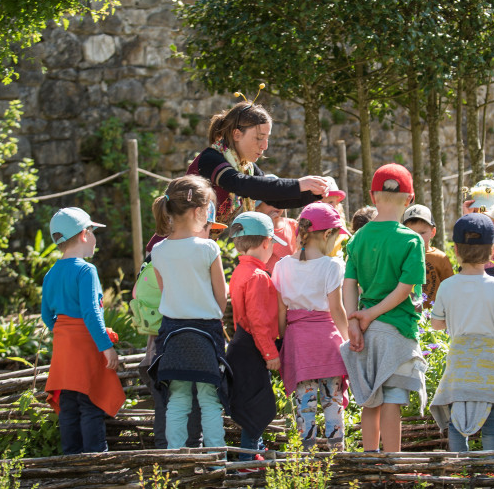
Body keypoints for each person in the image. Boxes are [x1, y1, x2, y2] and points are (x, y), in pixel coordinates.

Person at [146, 96, 328, 251]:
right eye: (259, 138)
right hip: (169, 248)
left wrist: (314, 195)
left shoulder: (246, 167)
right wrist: (298, 184)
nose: (265, 146)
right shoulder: (210, 158)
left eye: (267, 138)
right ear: (236, 134)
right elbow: (239, 183)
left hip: (198, 247)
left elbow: (274, 197)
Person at [340, 163, 427, 453]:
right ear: (410, 199)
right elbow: (405, 290)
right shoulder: (412, 239)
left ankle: (369, 458)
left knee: (370, 398)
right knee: (392, 398)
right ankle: (393, 461)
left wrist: (355, 320)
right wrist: (371, 314)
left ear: (372, 196)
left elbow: (349, 284)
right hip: (397, 330)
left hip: (367, 331)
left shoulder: (358, 238)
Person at [148, 175, 231, 451]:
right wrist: (212, 311)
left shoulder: (157, 251)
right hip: (206, 333)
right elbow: (222, 298)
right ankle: (216, 455)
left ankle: (174, 456)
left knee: (178, 399)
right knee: (210, 399)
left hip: (172, 333)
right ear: (199, 211)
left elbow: (164, 291)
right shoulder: (208, 248)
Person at [429, 214, 494, 452]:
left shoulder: (448, 286)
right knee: (492, 428)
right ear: (492, 250)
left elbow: (437, 325)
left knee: (457, 421)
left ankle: (458, 471)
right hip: (490, 364)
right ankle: (493, 473)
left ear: (456, 249)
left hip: (460, 364)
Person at [42, 207, 125, 454]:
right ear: (84, 234)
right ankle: (95, 458)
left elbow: (47, 316)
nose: (95, 237)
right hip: (86, 345)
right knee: (89, 402)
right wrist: (106, 346)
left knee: (69, 404)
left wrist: (65, 332)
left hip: (64, 347)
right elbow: (91, 314)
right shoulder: (86, 270)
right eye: (93, 231)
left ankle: (71, 457)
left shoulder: (50, 274)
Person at [273, 202, 350, 451]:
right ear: (327, 235)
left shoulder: (282, 265)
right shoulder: (333, 265)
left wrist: (286, 342)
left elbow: (281, 312)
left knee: (304, 405)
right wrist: (349, 341)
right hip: (328, 343)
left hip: (299, 343)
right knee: (332, 403)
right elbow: (337, 310)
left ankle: (306, 459)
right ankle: (337, 457)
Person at [225, 211, 287, 462]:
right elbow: (258, 321)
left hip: (241, 343)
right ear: (265, 243)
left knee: (253, 399)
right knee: (256, 404)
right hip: (252, 346)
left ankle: (255, 453)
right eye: (273, 243)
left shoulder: (240, 271)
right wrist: (270, 353)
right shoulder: (259, 277)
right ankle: (248, 460)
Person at [402, 204, 454, 309]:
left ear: (433, 232)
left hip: (433, 317)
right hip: (407, 316)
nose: (416, 237)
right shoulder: (400, 257)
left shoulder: (440, 258)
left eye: (422, 233)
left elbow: (451, 289)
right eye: (411, 233)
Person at [254, 189, 298, 274]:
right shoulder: (256, 229)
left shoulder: (292, 224)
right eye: (270, 201)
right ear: (257, 207)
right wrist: (267, 226)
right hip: (270, 281)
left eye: (280, 200)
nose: (276, 204)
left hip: (291, 278)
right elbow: (257, 254)